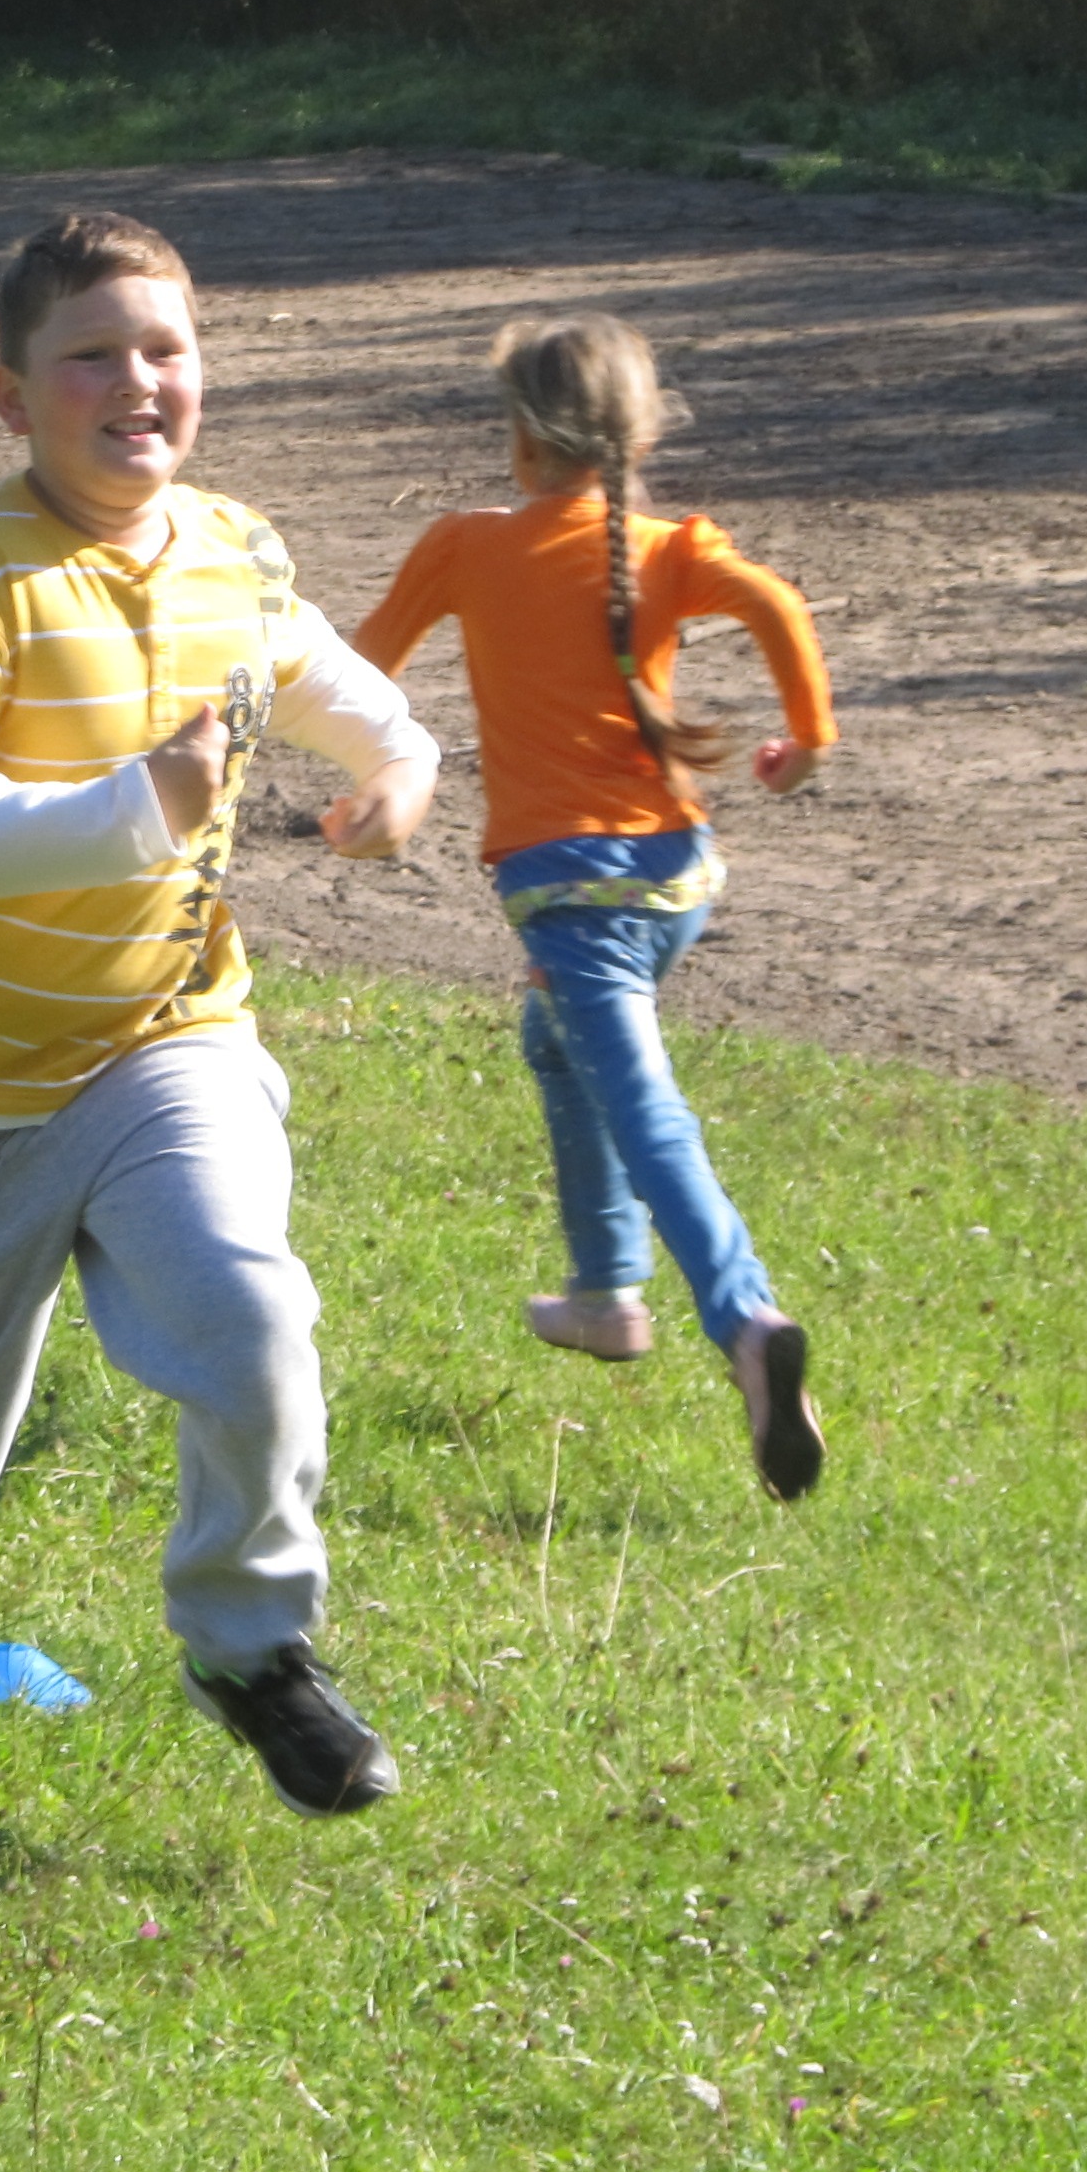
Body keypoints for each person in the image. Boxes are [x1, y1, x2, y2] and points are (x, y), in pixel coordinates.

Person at [0, 211, 441, 1822]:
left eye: (165, 350)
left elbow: (314, 673)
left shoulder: (232, 544)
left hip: (167, 1041)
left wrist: (402, 769)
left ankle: (249, 1648)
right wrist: (134, 804)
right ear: (14, 397)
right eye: (90, 355)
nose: (135, 382)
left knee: (251, 1316)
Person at [351, 311, 837, 1501]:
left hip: (568, 897)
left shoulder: (466, 545)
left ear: (522, 436)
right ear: (635, 432)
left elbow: (359, 674)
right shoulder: (668, 545)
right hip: (675, 883)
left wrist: (363, 780)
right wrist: (805, 743)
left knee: (645, 1110)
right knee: (554, 1042)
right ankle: (603, 1291)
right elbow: (776, 603)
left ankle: (743, 1322)